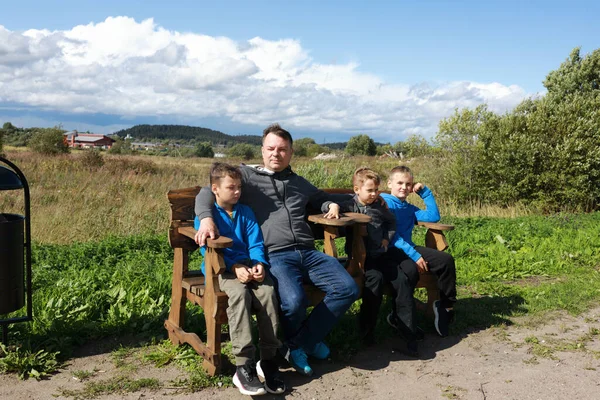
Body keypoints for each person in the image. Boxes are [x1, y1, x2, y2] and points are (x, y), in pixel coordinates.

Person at [194, 124, 359, 377]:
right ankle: (304, 343)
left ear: (291, 152)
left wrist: (332, 203)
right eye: (270, 148)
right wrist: (206, 217)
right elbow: (208, 189)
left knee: (347, 288)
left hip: (308, 251)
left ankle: (298, 344)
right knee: (293, 302)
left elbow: (321, 198)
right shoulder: (247, 178)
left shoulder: (299, 182)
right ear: (262, 151)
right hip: (274, 254)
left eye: (282, 149)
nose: (276, 154)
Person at [194, 162, 284, 396]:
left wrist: (258, 264)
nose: (237, 192)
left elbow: (255, 242)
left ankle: (268, 360)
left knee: (267, 293)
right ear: (215, 188)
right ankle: (243, 365)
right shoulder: (208, 217)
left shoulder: (245, 211)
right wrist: (234, 268)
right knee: (239, 295)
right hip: (221, 270)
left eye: (239, 187)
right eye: (231, 187)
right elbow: (207, 249)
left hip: (247, 265)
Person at [322, 167, 421, 356]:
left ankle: (408, 335)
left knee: (402, 280)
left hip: (381, 255)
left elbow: (391, 222)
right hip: (360, 259)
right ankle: (366, 332)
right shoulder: (349, 203)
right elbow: (323, 199)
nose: (374, 194)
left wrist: (386, 237)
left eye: (377, 190)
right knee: (374, 281)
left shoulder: (379, 206)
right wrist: (332, 206)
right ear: (357, 189)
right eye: (370, 190)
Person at [381, 165, 457, 337]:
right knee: (410, 270)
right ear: (389, 183)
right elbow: (391, 235)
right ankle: (399, 316)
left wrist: (425, 193)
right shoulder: (385, 204)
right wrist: (415, 255)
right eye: (399, 183)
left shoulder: (408, 207)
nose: (404, 187)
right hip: (392, 250)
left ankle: (445, 306)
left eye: (408, 184)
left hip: (408, 247)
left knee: (445, 260)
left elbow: (433, 217)